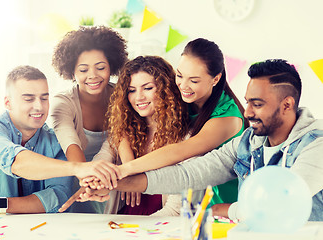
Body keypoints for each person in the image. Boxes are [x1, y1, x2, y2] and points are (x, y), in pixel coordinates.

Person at [79, 59, 323, 221]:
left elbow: (282, 205)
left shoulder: (316, 144)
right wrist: (113, 184)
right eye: (248, 102)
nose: (247, 113)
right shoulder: (248, 142)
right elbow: (188, 174)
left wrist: (222, 210)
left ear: (287, 105)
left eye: (257, 105)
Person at [64, 37, 248, 214]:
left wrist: (125, 171)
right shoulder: (184, 99)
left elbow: (180, 152)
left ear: (215, 79)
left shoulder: (225, 119)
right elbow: (119, 131)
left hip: (224, 201)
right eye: (180, 76)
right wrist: (109, 171)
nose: (183, 86)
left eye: (194, 80)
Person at [0, 65, 78, 215]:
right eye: (29, 99)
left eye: (44, 98)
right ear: (8, 103)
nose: (39, 106)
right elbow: (16, 161)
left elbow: (58, 197)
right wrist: (78, 167)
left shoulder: (55, 142)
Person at [90, 56, 189, 215]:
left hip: (158, 227)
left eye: (148, 88)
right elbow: (102, 158)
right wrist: (95, 181)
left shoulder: (185, 137)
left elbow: (176, 208)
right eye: (131, 90)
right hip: (122, 224)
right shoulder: (124, 132)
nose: (139, 97)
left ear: (167, 89)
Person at [50, 26, 128, 213]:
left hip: (115, 180)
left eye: (101, 67)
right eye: (83, 70)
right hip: (78, 180)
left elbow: (117, 141)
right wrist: (87, 179)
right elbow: (70, 143)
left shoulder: (124, 96)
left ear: (111, 66)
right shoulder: (62, 103)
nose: (93, 75)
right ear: (71, 71)